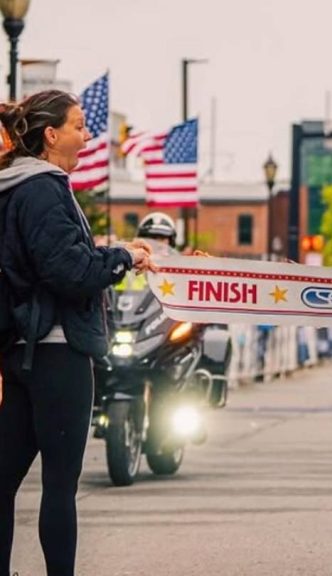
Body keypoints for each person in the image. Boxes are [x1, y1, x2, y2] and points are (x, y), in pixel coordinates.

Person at [0, 90, 155, 576]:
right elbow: (68, 271)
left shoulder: (11, 189)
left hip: (19, 351)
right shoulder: (44, 189)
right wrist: (122, 258)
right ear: (51, 135)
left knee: (3, 483)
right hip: (57, 353)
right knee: (59, 486)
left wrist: (109, 252)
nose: (86, 136)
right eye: (78, 125)